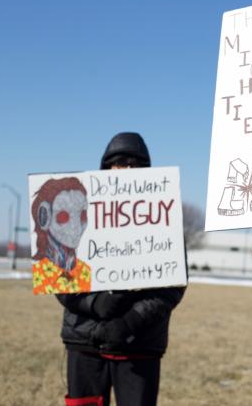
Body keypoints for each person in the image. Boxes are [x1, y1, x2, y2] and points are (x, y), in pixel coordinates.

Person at [57, 132, 186, 406]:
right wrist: (95, 303)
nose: (126, 170)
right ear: (106, 168)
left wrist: (129, 322)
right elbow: (59, 277)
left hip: (140, 344)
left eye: (134, 163)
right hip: (84, 340)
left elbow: (172, 287)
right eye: (118, 162)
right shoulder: (77, 211)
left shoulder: (164, 218)